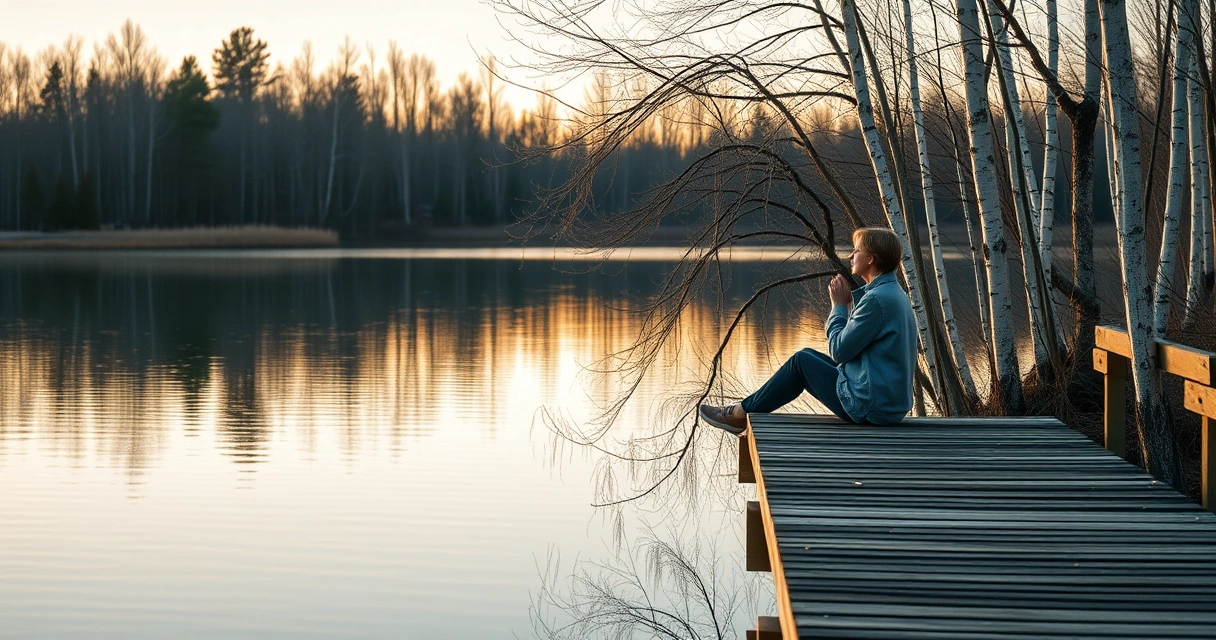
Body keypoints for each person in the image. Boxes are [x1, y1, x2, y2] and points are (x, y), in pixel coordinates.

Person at [699, 227, 917, 434]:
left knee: (802, 361)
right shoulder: (894, 294)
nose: (851, 255)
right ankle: (741, 411)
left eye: (857, 250)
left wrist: (838, 307)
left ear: (871, 259)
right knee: (809, 356)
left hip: (871, 407)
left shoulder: (876, 300)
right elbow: (857, 349)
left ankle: (740, 413)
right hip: (889, 405)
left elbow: (839, 351)